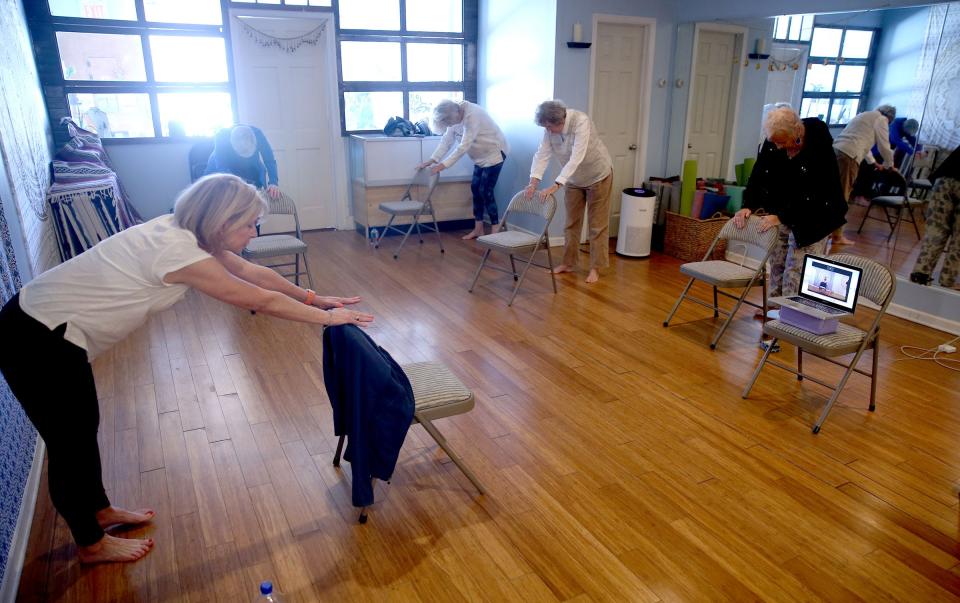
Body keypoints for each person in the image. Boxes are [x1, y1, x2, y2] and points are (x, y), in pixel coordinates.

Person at [0, 174, 372, 564]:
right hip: (36, 338)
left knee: (82, 426)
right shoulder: (180, 252)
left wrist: (316, 299)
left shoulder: (186, 230)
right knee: (69, 443)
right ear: (221, 222)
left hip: (48, 328)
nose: (254, 231)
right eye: (248, 224)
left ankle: (99, 509)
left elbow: (254, 274)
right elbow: (258, 299)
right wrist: (327, 320)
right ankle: (91, 543)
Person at [733, 107, 847, 321]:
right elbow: (760, 173)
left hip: (815, 215)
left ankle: (789, 314)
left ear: (797, 135)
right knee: (777, 262)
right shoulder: (773, 142)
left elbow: (816, 191)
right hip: (783, 209)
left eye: (781, 142)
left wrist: (784, 216)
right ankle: (774, 307)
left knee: (797, 268)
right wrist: (748, 204)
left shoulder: (819, 147)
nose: (777, 147)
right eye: (774, 142)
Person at [524, 100, 613, 284]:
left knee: (597, 225)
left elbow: (576, 157)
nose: (547, 130)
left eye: (549, 127)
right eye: (545, 127)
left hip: (598, 176)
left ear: (559, 121)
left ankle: (595, 268)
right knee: (571, 223)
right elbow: (542, 154)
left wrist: (556, 185)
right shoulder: (549, 130)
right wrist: (533, 182)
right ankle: (568, 263)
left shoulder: (581, 122)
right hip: (573, 179)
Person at [418, 100, 509, 240]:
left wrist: (443, 165)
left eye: (450, 124)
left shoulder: (473, 115)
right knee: (475, 189)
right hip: (479, 157)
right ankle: (478, 229)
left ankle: (496, 228)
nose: (450, 126)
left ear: (457, 114)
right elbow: (446, 141)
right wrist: (433, 159)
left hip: (494, 153)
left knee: (486, 191)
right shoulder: (452, 114)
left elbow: (463, 147)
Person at [831, 104, 897, 245]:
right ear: (889, 118)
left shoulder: (864, 115)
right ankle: (837, 236)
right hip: (849, 156)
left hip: (836, 151)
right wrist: (890, 165)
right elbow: (884, 145)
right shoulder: (881, 120)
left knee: (831, 192)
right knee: (842, 195)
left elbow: (864, 144)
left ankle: (829, 231)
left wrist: (874, 163)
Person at [911, 146, 960, 289]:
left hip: (945, 178)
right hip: (948, 178)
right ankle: (946, 284)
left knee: (935, 233)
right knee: (958, 242)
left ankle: (919, 277)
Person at [205, 125, 281, 199]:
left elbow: (269, 160)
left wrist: (273, 183)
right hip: (221, 168)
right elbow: (222, 167)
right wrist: (238, 185)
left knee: (254, 195)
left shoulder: (258, 134)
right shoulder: (222, 136)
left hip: (251, 166)